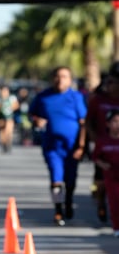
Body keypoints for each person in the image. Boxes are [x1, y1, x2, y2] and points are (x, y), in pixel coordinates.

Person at [29, 66, 87, 226]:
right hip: (52, 147)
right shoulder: (43, 96)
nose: (60, 79)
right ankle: (58, 210)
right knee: (56, 178)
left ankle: (68, 200)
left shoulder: (76, 97)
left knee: (70, 180)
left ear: (70, 80)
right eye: (57, 76)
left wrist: (81, 147)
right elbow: (32, 113)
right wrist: (36, 120)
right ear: (52, 78)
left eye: (64, 76)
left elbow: (83, 123)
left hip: (72, 147)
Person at [86, 62, 119, 223]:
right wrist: (94, 139)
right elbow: (89, 121)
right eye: (111, 81)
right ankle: (101, 203)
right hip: (103, 144)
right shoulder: (98, 98)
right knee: (101, 180)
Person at [92, 109, 119, 238]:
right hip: (111, 177)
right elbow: (95, 157)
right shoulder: (103, 140)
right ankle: (116, 227)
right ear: (108, 124)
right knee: (114, 202)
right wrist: (104, 165)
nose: (117, 124)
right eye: (114, 121)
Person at [0, 85, 19, 153]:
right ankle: (3, 145)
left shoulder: (12, 98)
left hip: (9, 117)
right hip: (1, 118)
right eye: (3, 91)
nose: (4, 93)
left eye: (5, 91)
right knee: (2, 132)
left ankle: (9, 144)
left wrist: (11, 108)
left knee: (9, 132)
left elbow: (17, 105)